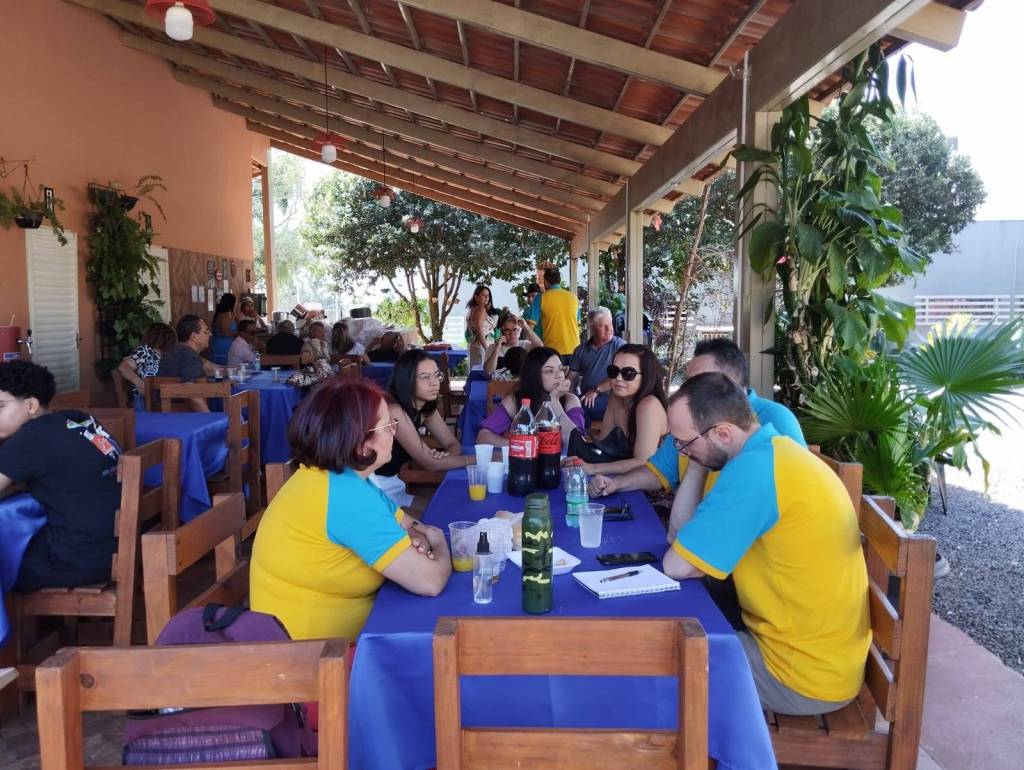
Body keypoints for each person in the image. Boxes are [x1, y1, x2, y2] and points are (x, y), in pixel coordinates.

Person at [660, 373, 870, 715]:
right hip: (822, 660)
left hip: (796, 674)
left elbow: (676, 565)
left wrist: (700, 453)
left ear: (723, 433)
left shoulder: (754, 471)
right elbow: (678, 538)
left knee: (656, 660)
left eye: (684, 443)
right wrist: (699, 458)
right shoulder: (770, 451)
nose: (681, 452)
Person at [249, 377, 451, 641]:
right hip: (311, 656)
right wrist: (439, 542)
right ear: (360, 444)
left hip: (327, 640)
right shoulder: (345, 497)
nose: (394, 432)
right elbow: (430, 580)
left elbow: (408, 525)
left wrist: (415, 540)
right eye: (388, 425)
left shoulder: (338, 479)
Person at [589, 337, 806, 498]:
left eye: (699, 381)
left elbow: (793, 489)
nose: (688, 390)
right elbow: (658, 471)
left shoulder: (774, 418)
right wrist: (616, 484)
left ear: (730, 382)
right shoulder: (689, 421)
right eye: (688, 382)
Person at [0, 362, 122, 592]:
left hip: (76, 560)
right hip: (118, 547)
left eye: (0, 406)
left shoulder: (30, 439)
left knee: (7, 556)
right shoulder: (78, 418)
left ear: (31, 405)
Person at [564, 344, 668, 475]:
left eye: (628, 373)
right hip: (628, 475)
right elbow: (603, 442)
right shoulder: (617, 397)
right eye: (613, 371)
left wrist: (592, 468)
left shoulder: (649, 405)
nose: (618, 378)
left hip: (657, 481)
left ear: (646, 376)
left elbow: (643, 462)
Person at [376, 350, 474, 478]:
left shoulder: (426, 406)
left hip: (398, 478)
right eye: (425, 377)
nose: (434, 382)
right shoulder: (394, 410)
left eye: (436, 375)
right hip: (376, 481)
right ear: (406, 380)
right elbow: (431, 464)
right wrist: (485, 459)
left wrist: (445, 457)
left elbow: (453, 444)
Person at [476, 346, 584, 447]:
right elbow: (483, 437)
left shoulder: (570, 400)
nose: (559, 375)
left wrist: (554, 400)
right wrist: (523, 445)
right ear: (534, 375)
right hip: (526, 459)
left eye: (561, 369)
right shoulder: (517, 400)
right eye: (550, 371)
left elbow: (577, 443)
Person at [567, 306, 626, 421]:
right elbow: (570, 378)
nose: (609, 329)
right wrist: (568, 396)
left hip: (612, 397)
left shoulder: (620, 346)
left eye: (610, 323)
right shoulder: (580, 350)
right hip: (587, 398)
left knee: (582, 410)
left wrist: (596, 390)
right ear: (592, 328)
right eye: (603, 325)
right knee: (569, 408)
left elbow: (621, 376)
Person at [157, 315, 215, 411]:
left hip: (162, 409)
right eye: (206, 332)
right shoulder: (191, 357)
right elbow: (188, 388)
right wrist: (208, 415)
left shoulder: (173, 351)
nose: (210, 334)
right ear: (194, 336)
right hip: (182, 413)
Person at [527, 268, 580, 358]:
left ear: (546, 281)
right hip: (574, 350)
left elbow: (529, 327)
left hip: (552, 351)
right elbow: (577, 324)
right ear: (559, 280)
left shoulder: (541, 298)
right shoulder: (573, 298)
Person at [116, 321, 177, 399]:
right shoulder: (145, 351)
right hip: (146, 398)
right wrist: (138, 382)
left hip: (166, 396)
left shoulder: (169, 355)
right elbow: (123, 367)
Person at [465, 284, 500, 367]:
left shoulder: (473, 309)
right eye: (483, 295)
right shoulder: (480, 309)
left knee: (476, 370)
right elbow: (478, 328)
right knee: (482, 371)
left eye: (488, 295)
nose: (487, 297)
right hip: (482, 345)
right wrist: (486, 348)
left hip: (476, 345)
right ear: (476, 297)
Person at [210, 293, 237, 365]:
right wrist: (238, 332)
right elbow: (226, 333)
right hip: (223, 345)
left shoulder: (220, 314)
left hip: (219, 343)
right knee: (221, 366)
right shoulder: (225, 315)